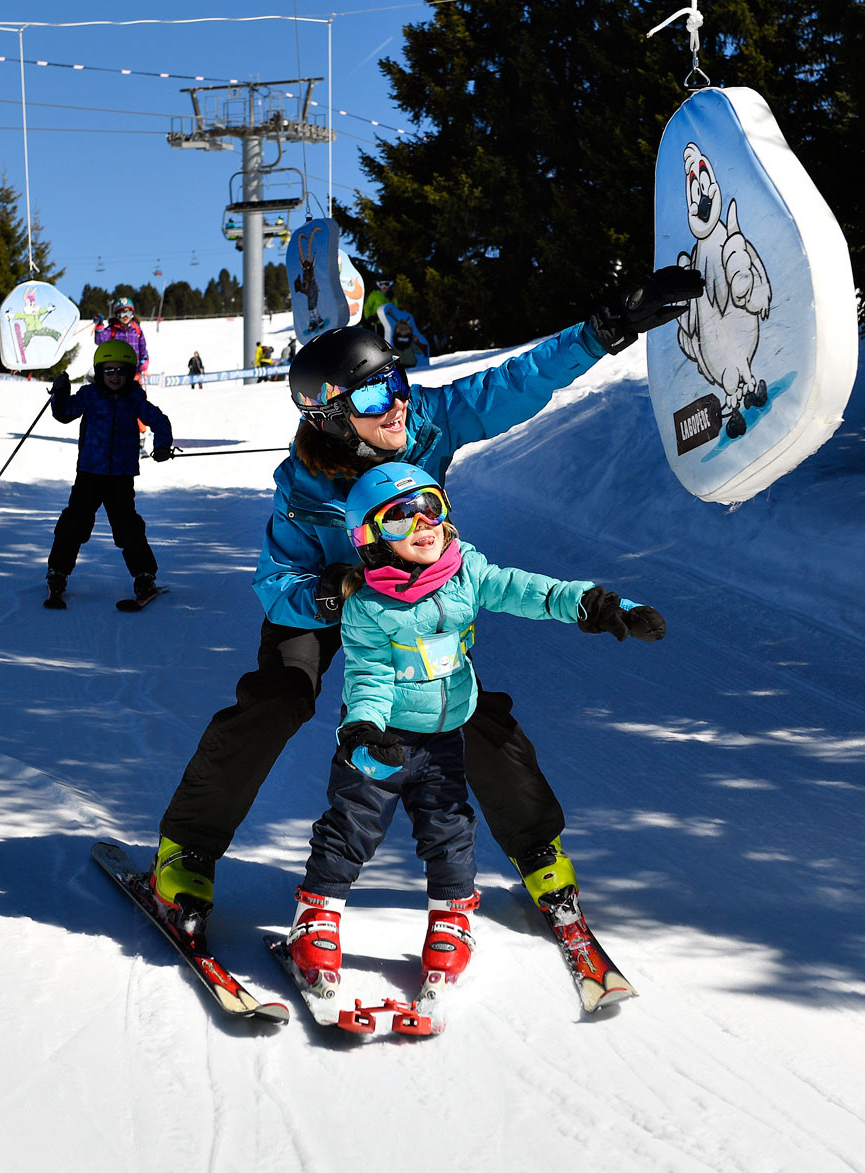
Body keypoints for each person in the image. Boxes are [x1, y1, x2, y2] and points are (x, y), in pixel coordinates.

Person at [146, 264, 704, 937]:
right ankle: (186, 848)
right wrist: (332, 592)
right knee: (280, 696)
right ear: (330, 418)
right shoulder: (303, 486)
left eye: (396, 382)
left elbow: (515, 383)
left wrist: (603, 329)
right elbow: (276, 582)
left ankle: (537, 849)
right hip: (330, 598)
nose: (397, 404)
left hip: (410, 591)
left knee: (464, 707)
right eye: (373, 395)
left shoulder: (427, 423)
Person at [283, 462, 665, 1014]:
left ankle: (450, 921)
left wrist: (594, 604)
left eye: (431, 507)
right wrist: (363, 730)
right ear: (370, 538)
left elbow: (530, 591)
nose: (423, 524)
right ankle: (316, 917)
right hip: (383, 739)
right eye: (400, 518)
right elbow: (368, 674)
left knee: (451, 831)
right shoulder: (368, 606)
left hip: (444, 737)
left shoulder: (467, 571)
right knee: (351, 827)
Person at [45, 341, 175, 607]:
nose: (115, 376)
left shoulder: (134, 399)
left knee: (127, 527)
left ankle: (144, 576)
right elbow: (64, 413)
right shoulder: (89, 395)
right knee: (74, 523)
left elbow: (160, 421)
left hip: (120, 476)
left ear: (130, 372)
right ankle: (58, 572)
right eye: (109, 370)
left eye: (121, 371)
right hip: (89, 473)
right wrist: (60, 393)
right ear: (99, 372)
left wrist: (162, 446)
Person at [94, 296, 149, 386]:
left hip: (135, 371)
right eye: (122, 314)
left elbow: (142, 346)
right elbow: (99, 340)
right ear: (117, 315)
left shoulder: (136, 329)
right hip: (118, 372)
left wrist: (145, 359)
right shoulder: (112, 330)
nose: (125, 317)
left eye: (128, 313)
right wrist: (99, 326)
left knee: (135, 392)